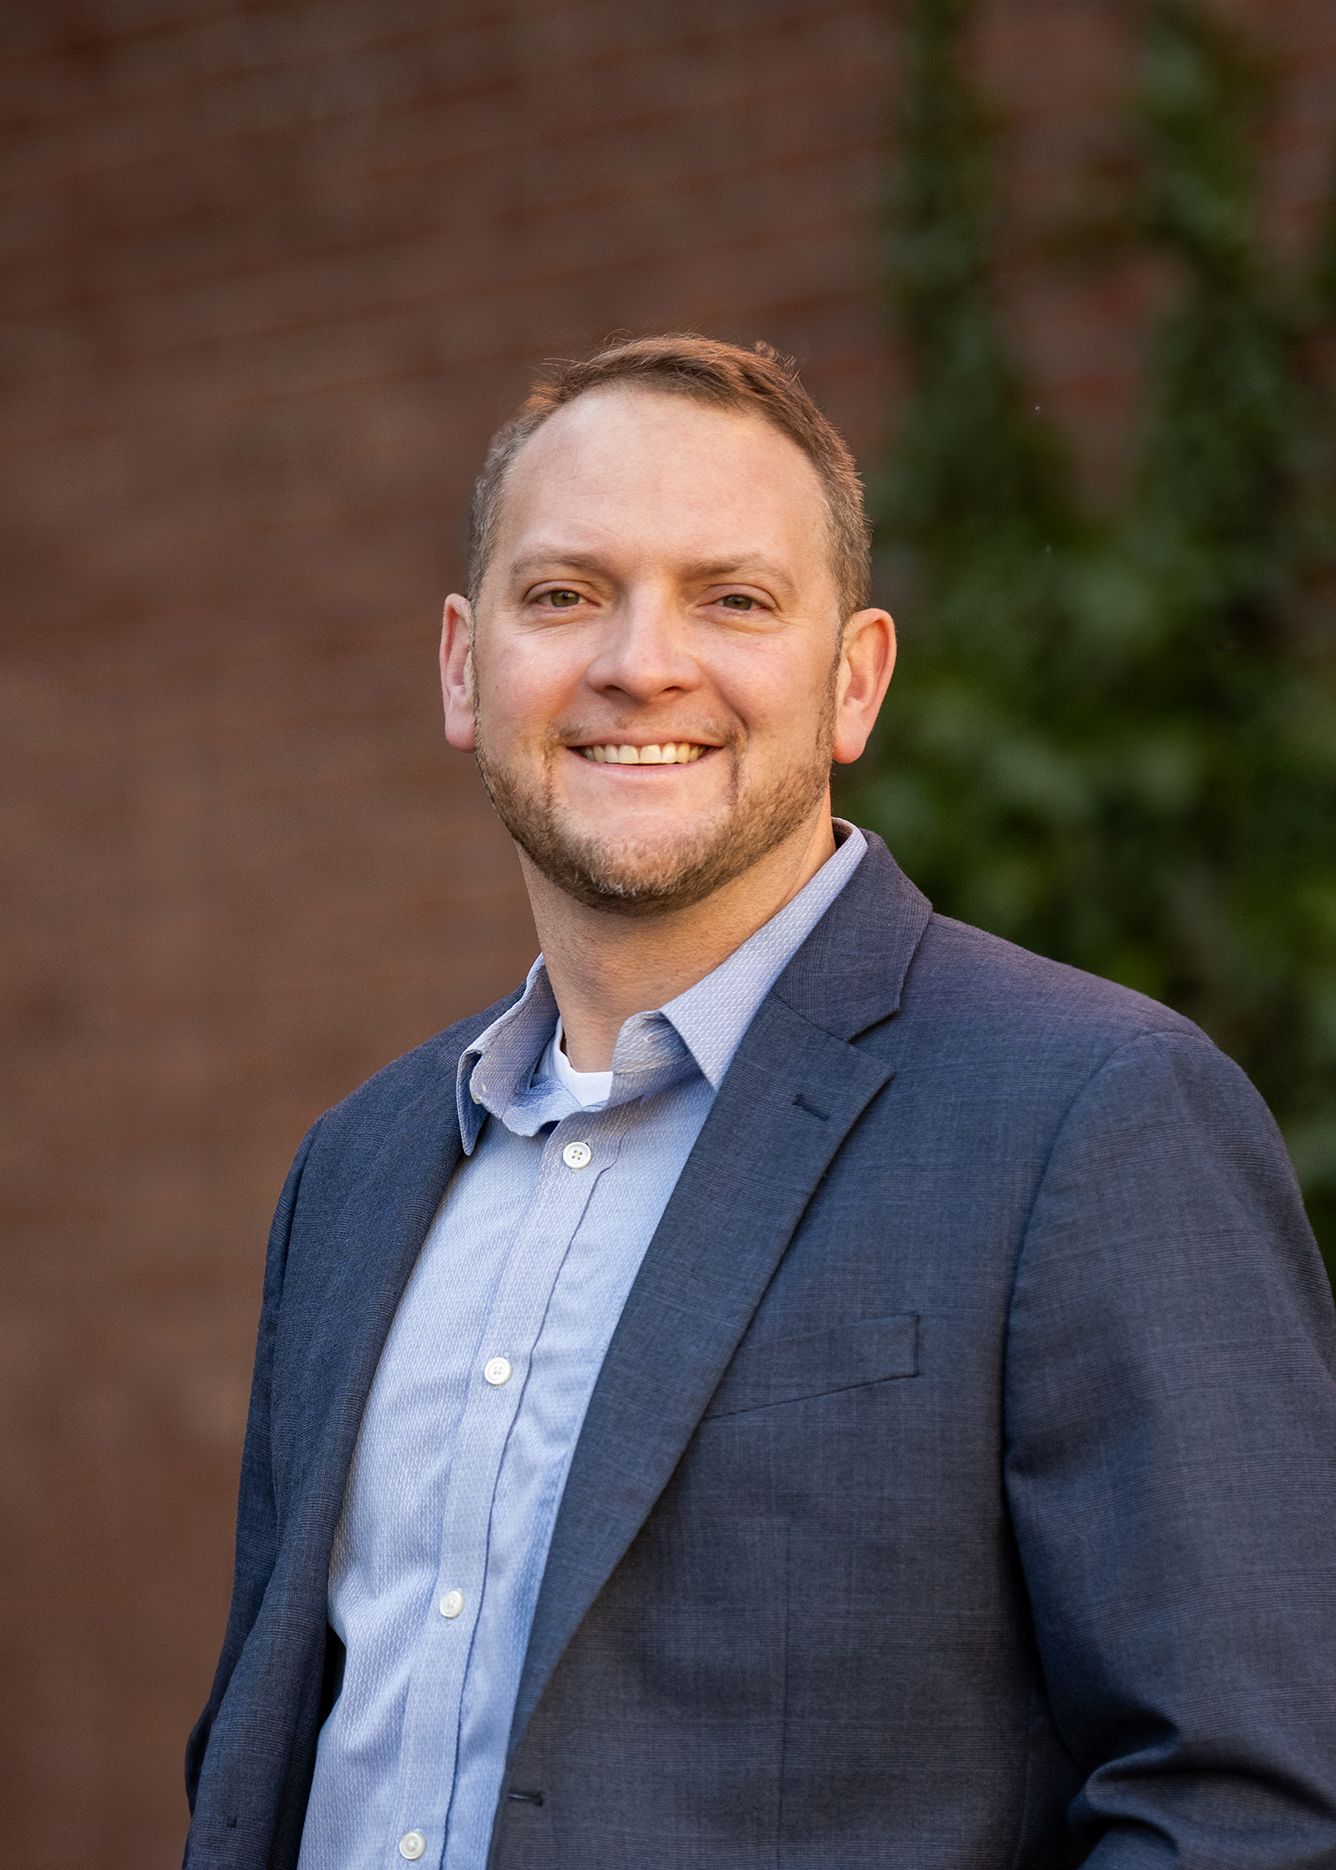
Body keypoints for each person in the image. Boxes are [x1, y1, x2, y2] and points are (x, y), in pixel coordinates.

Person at [183, 335, 1336, 1870]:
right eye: (564, 593)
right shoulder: (356, 1169)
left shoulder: (1095, 1114)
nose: (639, 661)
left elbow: (1244, 1805)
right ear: (465, 665)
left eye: (731, 598)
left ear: (854, 679)